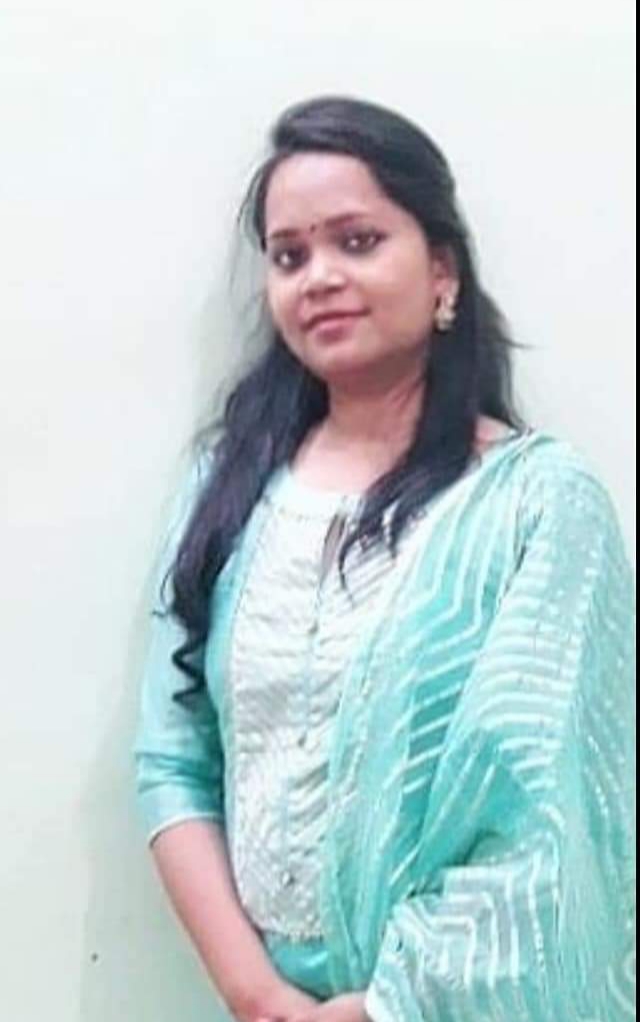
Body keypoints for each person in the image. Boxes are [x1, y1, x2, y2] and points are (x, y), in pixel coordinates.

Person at [134, 97, 636, 1022]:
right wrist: (260, 996)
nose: (320, 277)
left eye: (358, 242)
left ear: (442, 270)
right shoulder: (225, 488)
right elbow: (172, 758)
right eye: (290, 256)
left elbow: (547, 820)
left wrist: (387, 1006)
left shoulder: (538, 504)